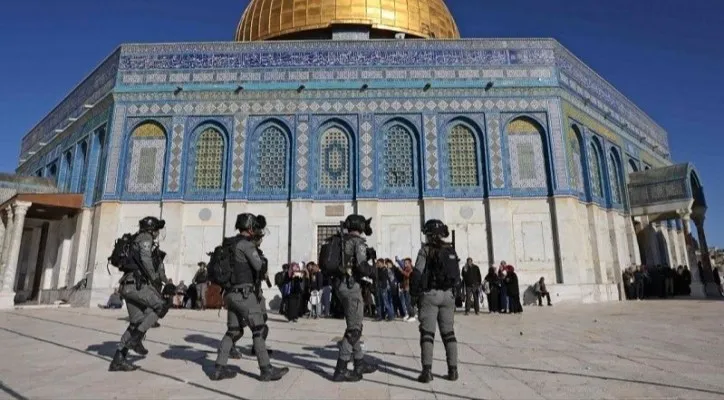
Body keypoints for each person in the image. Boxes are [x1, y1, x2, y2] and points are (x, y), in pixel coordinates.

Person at [211, 213, 288, 382]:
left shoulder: (229, 244)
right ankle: (266, 369)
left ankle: (218, 368)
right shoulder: (246, 245)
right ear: (251, 228)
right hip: (244, 294)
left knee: (233, 331)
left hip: (229, 295)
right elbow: (259, 266)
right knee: (258, 329)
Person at [109, 216, 169, 372]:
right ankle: (136, 339)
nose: (157, 233)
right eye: (156, 229)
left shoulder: (135, 238)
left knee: (136, 322)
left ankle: (118, 359)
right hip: (137, 285)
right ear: (151, 229)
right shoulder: (145, 238)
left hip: (127, 285)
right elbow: (146, 260)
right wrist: (155, 279)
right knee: (161, 306)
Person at [331, 214, 378, 382]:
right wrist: (375, 272)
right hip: (351, 288)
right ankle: (340, 369)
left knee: (354, 325)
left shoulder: (341, 240)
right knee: (354, 330)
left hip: (341, 286)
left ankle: (359, 362)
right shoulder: (357, 242)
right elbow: (362, 267)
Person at [412, 219, 460, 383]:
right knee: (449, 333)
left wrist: (413, 293)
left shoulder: (425, 250)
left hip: (430, 295)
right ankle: (453, 371)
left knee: (427, 334)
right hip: (448, 295)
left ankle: (427, 372)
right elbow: (457, 276)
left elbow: (417, 273)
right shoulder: (450, 250)